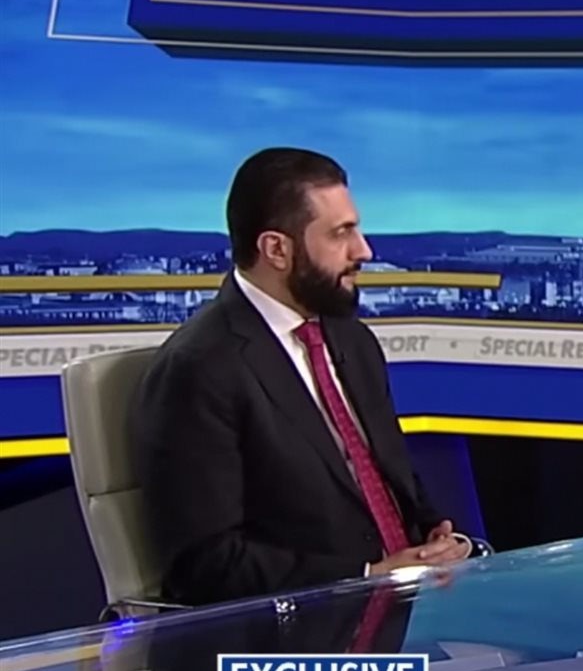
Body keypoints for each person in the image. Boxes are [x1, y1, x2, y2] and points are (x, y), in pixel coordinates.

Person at [134, 147, 473, 621]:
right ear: (277, 249)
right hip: (299, 635)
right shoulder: (201, 368)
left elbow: (388, 477)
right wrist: (366, 575)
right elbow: (205, 563)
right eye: (340, 234)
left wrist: (435, 538)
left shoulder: (350, 339)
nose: (364, 251)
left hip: (408, 613)